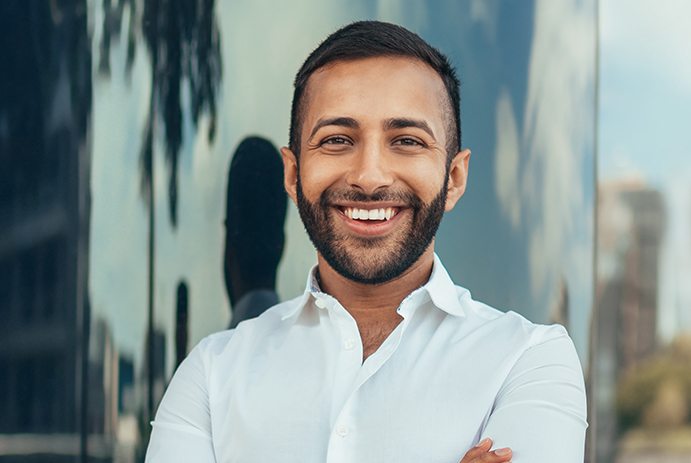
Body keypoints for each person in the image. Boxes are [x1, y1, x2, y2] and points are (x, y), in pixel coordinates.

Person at [145, 21, 587, 463]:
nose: (370, 177)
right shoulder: (210, 374)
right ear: (293, 175)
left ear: (454, 178)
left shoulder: (529, 361)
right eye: (337, 139)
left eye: (407, 141)